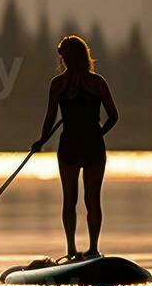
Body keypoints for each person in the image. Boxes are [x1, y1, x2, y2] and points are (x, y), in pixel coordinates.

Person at [33, 35, 118, 262]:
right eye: (63, 57)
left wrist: (98, 134)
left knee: (90, 200)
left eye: (67, 57)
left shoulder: (92, 82)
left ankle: (91, 249)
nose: (64, 61)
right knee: (71, 199)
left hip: (86, 147)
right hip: (76, 147)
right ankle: (73, 249)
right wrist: (41, 140)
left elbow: (114, 116)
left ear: (76, 57)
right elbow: (50, 117)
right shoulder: (61, 84)